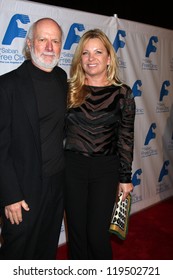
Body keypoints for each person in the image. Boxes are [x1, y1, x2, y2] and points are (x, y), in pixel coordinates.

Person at [64, 29, 136, 260]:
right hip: (71, 168)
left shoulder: (123, 93)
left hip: (106, 170)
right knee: (76, 234)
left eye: (98, 52)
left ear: (108, 58)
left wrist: (125, 178)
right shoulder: (68, 90)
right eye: (85, 53)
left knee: (96, 235)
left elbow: (126, 136)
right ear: (79, 59)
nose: (91, 58)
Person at [0, 18, 68, 260]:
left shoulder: (62, 79)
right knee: (16, 255)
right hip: (22, 192)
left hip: (56, 186)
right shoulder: (7, 86)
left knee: (46, 252)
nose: (49, 46)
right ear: (30, 44)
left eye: (55, 41)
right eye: (42, 39)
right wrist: (10, 196)